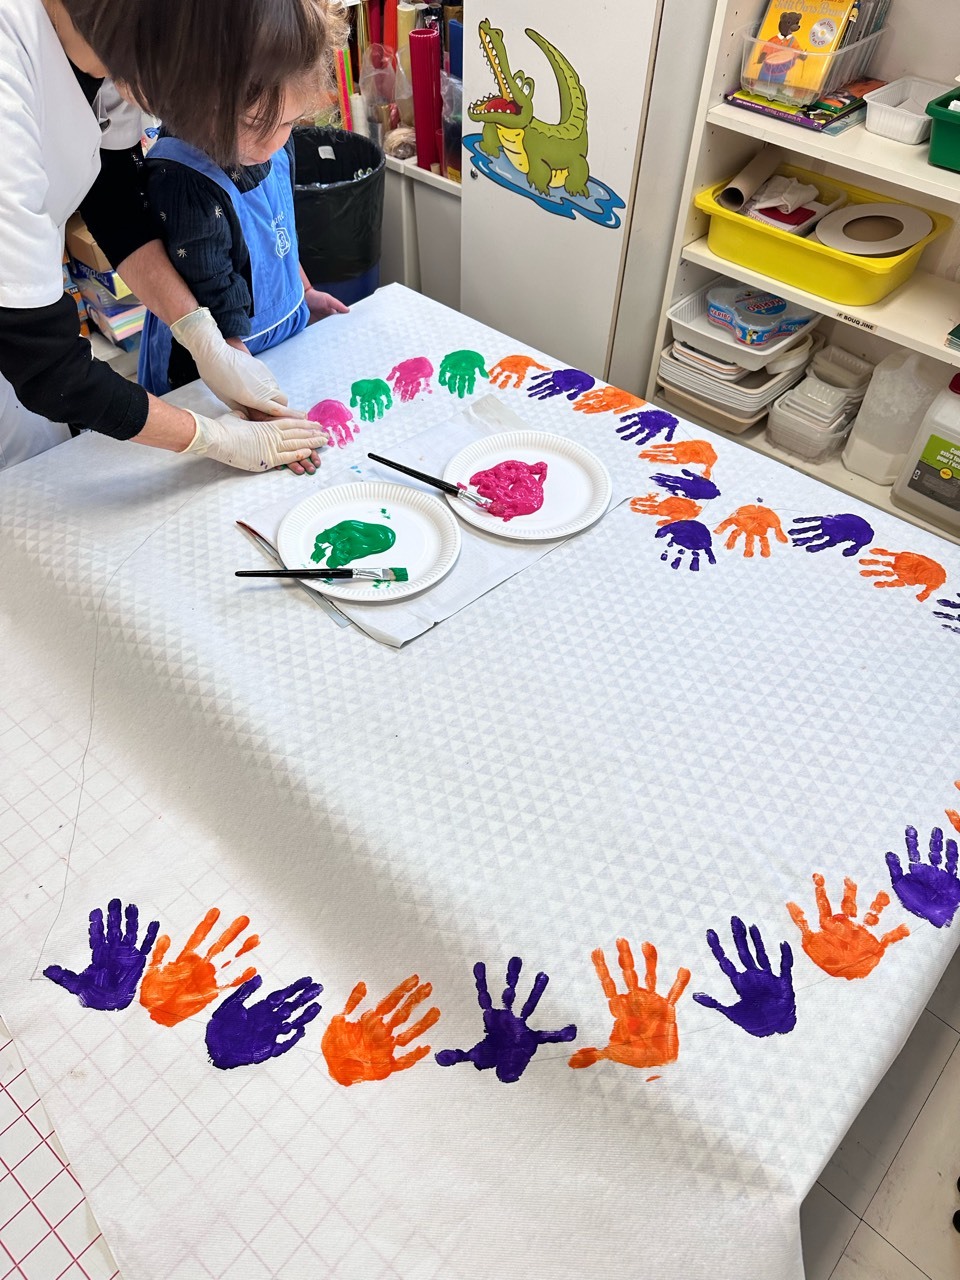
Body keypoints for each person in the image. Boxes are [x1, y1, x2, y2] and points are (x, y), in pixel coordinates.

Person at [0, 0, 334, 473]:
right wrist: (210, 437)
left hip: (23, 340)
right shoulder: (12, 86)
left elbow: (112, 197)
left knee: (42, 466)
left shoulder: (114, 50)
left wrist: (202, 337)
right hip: (21, 340)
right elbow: (49, 368)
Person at [138, 73, 349, 398]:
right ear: (202, 106)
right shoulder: (183, 182)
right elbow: (212, 299)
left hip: (276, 345)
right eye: (255, 124)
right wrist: (246, 388)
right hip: (214, 362)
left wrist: (303, 292)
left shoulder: (272, 145)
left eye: (287, 123)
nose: (273, 142)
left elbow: (278, 233)